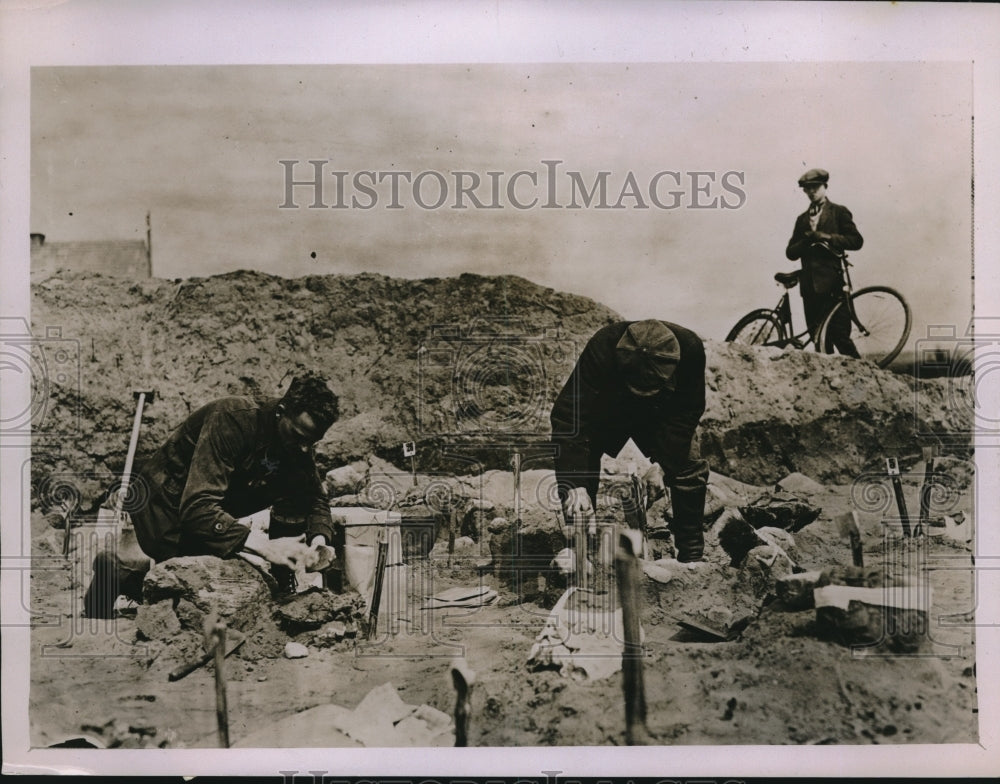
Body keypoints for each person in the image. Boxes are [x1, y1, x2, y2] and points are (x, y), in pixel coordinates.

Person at [84, 372, 341, 618]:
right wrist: (265, 547)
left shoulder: (295, 442)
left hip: (208, 512)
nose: (304, 448)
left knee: (293, 490)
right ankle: (117, 573)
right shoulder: (232, 419)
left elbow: (315, 498)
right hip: (164, 507)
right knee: (201, 601)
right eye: (298, 436)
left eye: (312, 441)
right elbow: (197, 506)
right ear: (281, 412)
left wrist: (319, 541)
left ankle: (284, 584)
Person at [550, 320, 710, 564]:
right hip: (612, 411)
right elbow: (568, 415)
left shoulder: (691, 349)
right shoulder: (602, 347)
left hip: (661, 414)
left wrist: (665, 464)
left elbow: (688, 412)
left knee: (688, 464)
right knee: (578, 482)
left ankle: (692, 556)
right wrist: (575, 484)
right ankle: (581, 555)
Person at [785, 168, 864, 357]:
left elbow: (856, 241)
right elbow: (790, 252)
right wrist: (806, 241)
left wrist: (827, 237)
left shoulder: (838, 212)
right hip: (810, 288)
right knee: (818, 340)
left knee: (840, 336)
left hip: (833, 286)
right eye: (807, 189)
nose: (811, 192)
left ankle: (860, 379)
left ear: (824, 187)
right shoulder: (802, 220)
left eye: (815, 187)